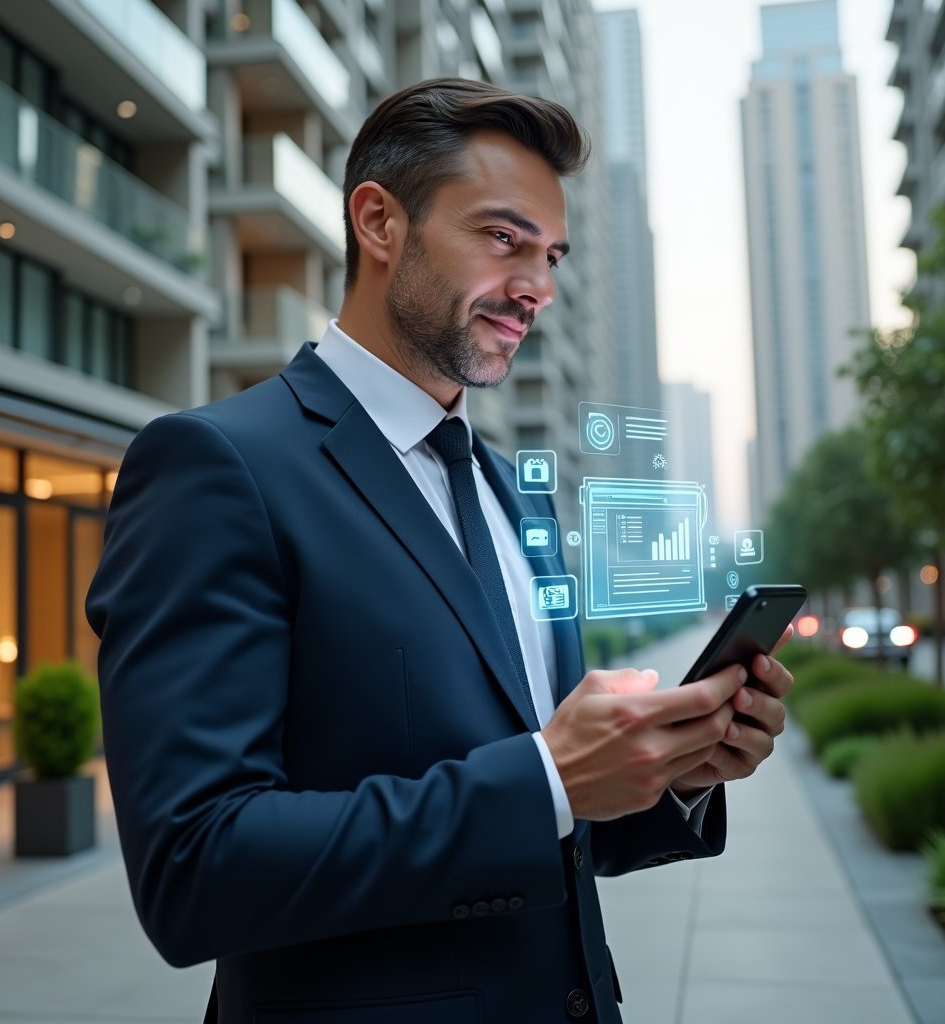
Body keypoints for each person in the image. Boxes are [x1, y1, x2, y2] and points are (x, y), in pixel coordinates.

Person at [86, 78, 792, 1024]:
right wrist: (545, 780)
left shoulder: (511, 487)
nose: (536, 287)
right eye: (503, 238)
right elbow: (195, 866)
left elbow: (559, 818)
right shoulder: (217, 466)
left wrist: (674, 774)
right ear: (379, 222)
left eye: (551, 255)